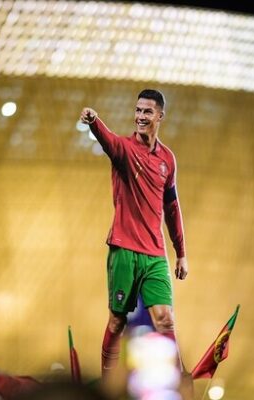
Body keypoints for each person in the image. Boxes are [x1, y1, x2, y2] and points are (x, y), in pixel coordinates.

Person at [80, 89, 189, 378]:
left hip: (155, 255)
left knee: (165, 320)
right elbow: (107, 140)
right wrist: (94, 121)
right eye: (138, 110)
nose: (140, 116)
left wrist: (181, 253)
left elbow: (172, 207)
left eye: (147, 112)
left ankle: (177, 384)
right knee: (117, 322)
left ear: (160, 116)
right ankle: (107, 383)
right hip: (124, 249)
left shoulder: (167, 159)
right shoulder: (124, 149)